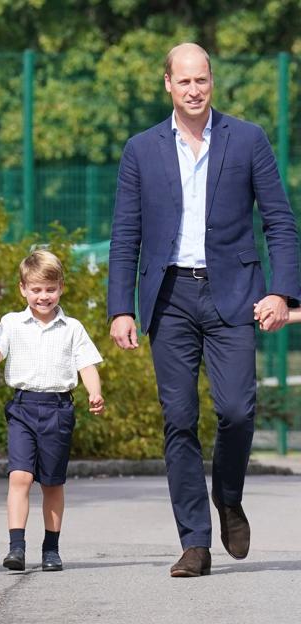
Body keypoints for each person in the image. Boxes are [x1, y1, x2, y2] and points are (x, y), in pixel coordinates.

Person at [108, 43, 300, 577]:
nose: (194, 90)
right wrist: (120, 307)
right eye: (184, 81)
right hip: (168, 297)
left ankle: (229, 497)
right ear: (167, 84)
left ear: (212, 81)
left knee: (237, 410)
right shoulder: (141, 149)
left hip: (234, 292)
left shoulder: (248, 139)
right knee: (179, 420)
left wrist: (281, 292)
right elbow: (125, 233)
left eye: (202, 81)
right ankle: (194, 541)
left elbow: (280, 222)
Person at [0, 250, 104, 572]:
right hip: (23, 407)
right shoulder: (12, 323)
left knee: (52, 483)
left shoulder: (72, 327)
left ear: (61, 288)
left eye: (50, 289)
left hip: (58, 409)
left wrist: (95, 392)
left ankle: (51, 549)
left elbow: (86, 363)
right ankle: (16, 547)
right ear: (23, 289)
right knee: (19, 476)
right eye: (36, 289)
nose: (43, 296)